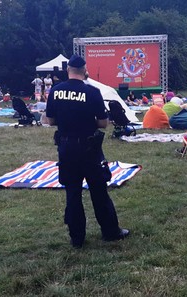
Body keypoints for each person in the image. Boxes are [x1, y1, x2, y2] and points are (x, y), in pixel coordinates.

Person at [46, 54, 129, 248]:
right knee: (99, 190)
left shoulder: (56, 91)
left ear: (68, 71)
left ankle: (77, 238)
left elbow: (50, 121)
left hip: (66, 147)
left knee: (72, 192)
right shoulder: (92, 92)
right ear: (85, 71)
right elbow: (102, 123)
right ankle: (110, 231)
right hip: (89, 147)